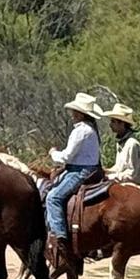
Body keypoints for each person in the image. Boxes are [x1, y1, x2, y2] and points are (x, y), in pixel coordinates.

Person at [44, 92, 103, 259]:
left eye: (74, 112)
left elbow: (67, 157)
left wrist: (53, 153)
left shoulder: (81, 131)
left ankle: (59, 236)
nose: (72, 115)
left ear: (80, 113)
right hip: (90, 169)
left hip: (80, 171)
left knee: (53, 197)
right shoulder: (90, 129)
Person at [105, 104, 140, 186]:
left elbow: (131, 173)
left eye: (113, 121)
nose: (110, 125)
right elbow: (119, 168)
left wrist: (110, 177)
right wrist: (106, 171)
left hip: (134, 186)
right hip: (123, 184)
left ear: (122, 124)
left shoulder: (132, 144)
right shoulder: (121, 143)